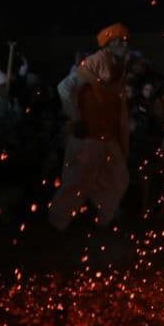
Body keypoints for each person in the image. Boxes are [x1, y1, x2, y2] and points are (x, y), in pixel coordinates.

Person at [48, 23, 132, 231]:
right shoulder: (91, 67)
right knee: (76, 182)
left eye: (124, 41)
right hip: (88, 137)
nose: (123, 44)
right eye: (118, 41)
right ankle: (57, 223)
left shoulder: (117, 68)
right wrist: (76, 119)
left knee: (119, 177)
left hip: (107, 136)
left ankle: (102, 216)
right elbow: (63, 88)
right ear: (108, 45)